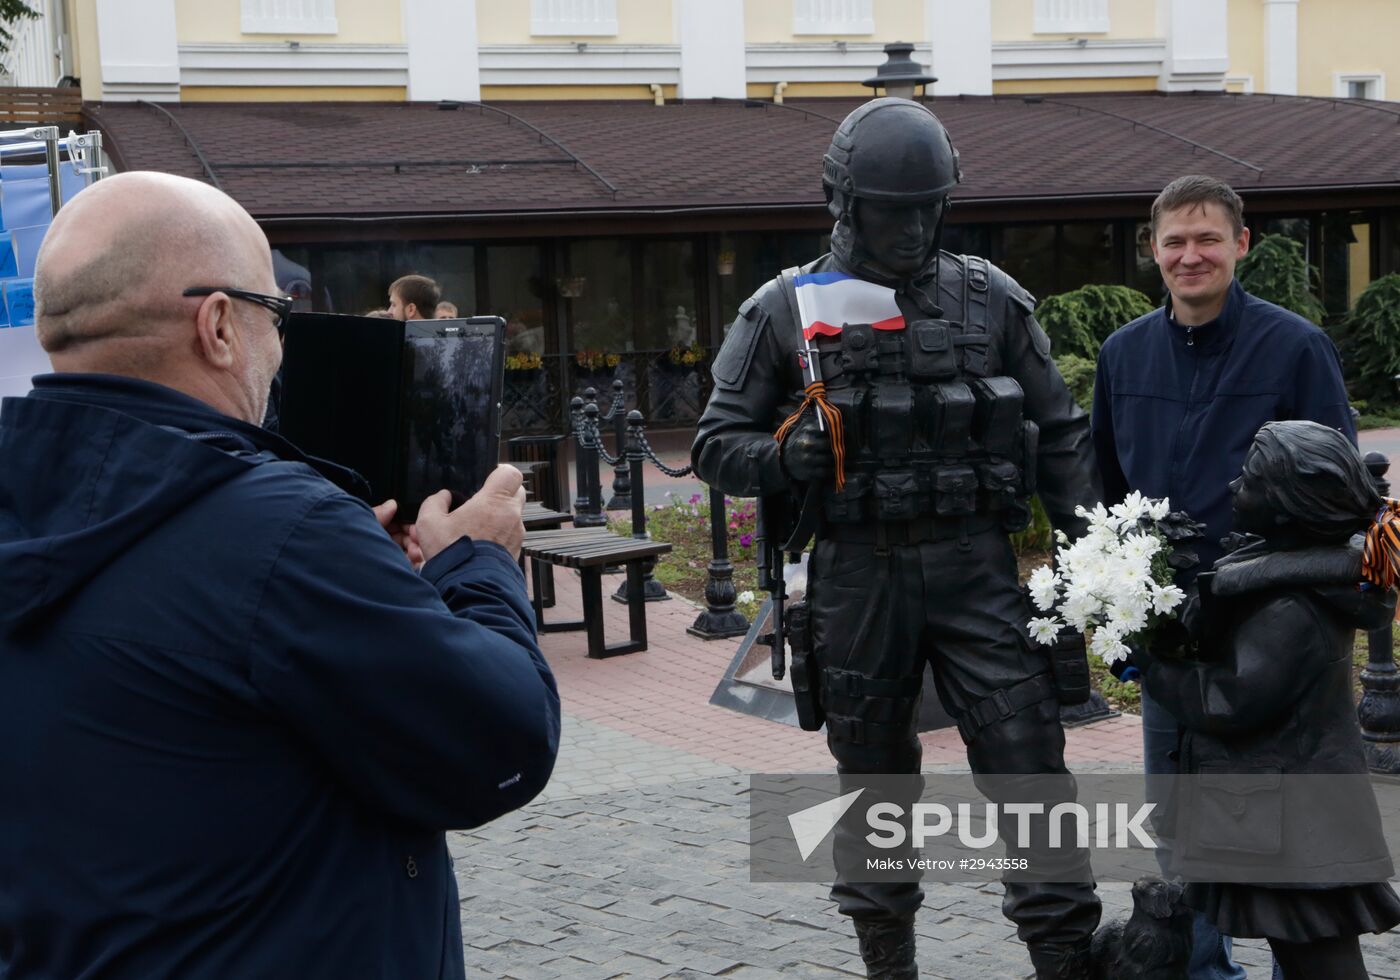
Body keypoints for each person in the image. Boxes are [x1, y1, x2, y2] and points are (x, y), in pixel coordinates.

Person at [0, 171, 561, 978]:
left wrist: (344, 577)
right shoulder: (281, 535)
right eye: (277, 315)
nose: (283, 344)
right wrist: (476, 561)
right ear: (220, 325)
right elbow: (500, 744)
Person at [692, 98, 1103, 979]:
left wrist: (1085, 558)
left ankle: (1065, 961)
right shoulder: (784, 308)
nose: (915, 226)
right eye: (892, 208)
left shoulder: (991, 297)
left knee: (1031, 766)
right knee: (874, 789)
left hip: (976, 569)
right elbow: (712, 443)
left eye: (930, 206)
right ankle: (889, 965)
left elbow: (1062, 428)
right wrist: (781, 455)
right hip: (857, 577)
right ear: (843, 201)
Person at [1091, 174, 1356, 980]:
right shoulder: (1123, 353)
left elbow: (1338, 487)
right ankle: (1202, 972)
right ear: (1153, 251)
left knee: (1284, 829)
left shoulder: (1295, 348)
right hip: (1173, 627)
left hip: (1276, 625)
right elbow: (1105, 485)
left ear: (1241, 245)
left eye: (1208, 239)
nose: (1190, 255)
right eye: (1175, 241)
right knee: (1181, 822)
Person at [1135, 420, 1400, 979]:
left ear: (1285, 507)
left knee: (1319, 959)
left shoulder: (1290, 610)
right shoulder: (1279, 579)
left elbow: (1227, 702)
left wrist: (1154, 669)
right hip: (1286, 814)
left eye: (1250, 480)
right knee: (1303, 952)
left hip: (1296, 826)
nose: (1234, 486)